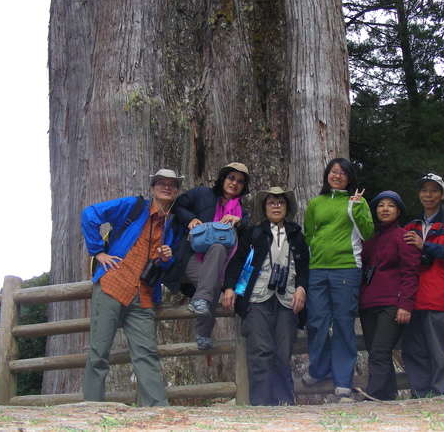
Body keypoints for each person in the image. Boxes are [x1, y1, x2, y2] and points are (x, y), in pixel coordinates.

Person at [81, 169, 184, 407]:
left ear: (176, 191)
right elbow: (90, 214)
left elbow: (164, 268)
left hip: (144, 295)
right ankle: (92, 409)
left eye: (172, 184)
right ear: (152, 188)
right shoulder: (133, 207)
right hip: (113, 285)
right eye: (161, 183)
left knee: (147, 353)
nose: (166, 187)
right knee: (99, 351)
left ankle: (158, 411)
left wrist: (166, 258)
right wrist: (98, 252)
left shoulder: (173, 226)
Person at [222, 187, 309, 405]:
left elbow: (305, 267)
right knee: (260, 351)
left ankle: (284, 402)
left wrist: (301, 288)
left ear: (287, 208)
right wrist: (229, 287)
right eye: (271, 203)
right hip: (257, 298)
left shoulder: (296, 235)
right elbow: (237, 262)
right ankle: (260, 404)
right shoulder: (253, 234)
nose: (276, 206)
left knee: (282, 351)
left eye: (281, 203)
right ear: (265, 208)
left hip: (288, 299)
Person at [302, 157, 374, 401]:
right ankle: (319, 369)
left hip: (346, 268)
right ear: (327, 175)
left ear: (349, 177)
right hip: (317, 270)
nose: (337, 175)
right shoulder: (315, 203)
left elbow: (367, 233)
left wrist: (355, 208)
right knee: (316, 321)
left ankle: (343, 380)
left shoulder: (358, 202)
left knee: (344, 324)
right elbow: (309, 235)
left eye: (343, 172)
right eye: (333, 171)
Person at [169, 162, 250, 350]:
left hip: (219, 260)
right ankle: (203, 332)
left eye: (240, 181)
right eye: (231, 178)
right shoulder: (201, 194)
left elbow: (245, 228)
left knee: (219, 249)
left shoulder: (240, 211)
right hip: (190, 253)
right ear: (223, 179)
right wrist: (190, 219)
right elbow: (177, 205)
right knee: (211, 286)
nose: (234, 183)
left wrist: (237, 220)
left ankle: (201, 315)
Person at [403, 173, 444, 397]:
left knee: (439, 351)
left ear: (442, 195)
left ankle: (439, 393)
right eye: (424, 190)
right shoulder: (411, 225)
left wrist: (427, 247)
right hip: (413, 298)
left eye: (433, 190)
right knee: (414, 349)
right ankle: (420, 395)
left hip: (440, 296)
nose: (428, 194)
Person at [359, 190, 420, 401]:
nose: (385, 209)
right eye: (381, 205)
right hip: (368, 304)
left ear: (398, 211)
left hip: (392, 304)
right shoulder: (370, 239)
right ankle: (388, 395)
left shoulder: (404, 237)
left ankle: (373, 396)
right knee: (376, 352)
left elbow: (410, 273)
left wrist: (406, 305)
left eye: (391, 205)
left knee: (379, 350)